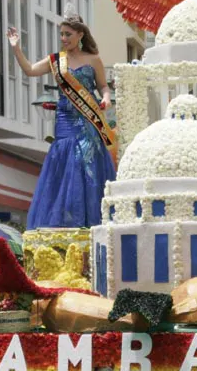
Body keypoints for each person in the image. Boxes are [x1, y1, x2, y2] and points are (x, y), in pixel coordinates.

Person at [7, 14, 116, 229]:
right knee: (66, 164)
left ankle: (90, 222)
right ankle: (67, 223)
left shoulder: (94, 59)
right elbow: (29, 70)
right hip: (65, 119)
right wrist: (16, 48)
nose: (64, 38)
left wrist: (105, 98)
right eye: (62, 34)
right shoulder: (55, 61)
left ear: (80, 35)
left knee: (87, 166)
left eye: (68, 34)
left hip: (88, 120)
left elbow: (103, 86)